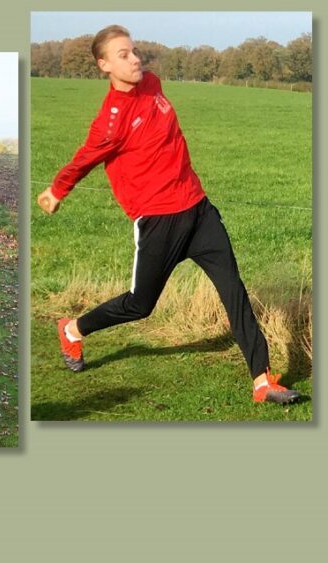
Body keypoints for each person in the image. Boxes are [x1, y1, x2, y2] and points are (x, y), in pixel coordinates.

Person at [36, 25, 299, 405]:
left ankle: (262, 381)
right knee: (140, 305)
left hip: (198, 209)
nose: (135, 59)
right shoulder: (111, 121)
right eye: (123, 55)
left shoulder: (152, 83)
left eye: (135, 50)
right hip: (158, 220)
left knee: (233, 291)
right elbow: (85, 158)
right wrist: (57, 190)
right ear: (103, 64)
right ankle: (73, 329)